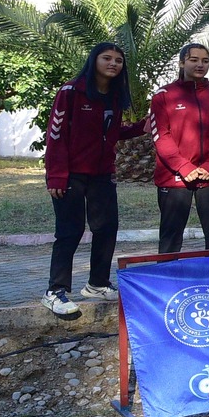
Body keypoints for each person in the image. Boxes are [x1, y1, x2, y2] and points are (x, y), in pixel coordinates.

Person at [44, 43, 145, 317]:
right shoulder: (70, 92)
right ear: (94, 60)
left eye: (118, 60)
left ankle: (97, 283)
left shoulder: (114, 96)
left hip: (102, 174)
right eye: (106, 58)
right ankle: (55, 291)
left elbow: (110, 134)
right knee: (70, 231)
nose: (113, 64)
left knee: (107, 227)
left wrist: (140, 128)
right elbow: (56, 135)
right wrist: (56, 175)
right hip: (70, 175)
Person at [150, 44, 209, 253]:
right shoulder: (164, 96)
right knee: (170, 237)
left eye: (205, 61)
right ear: (181, 63)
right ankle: (168, 280)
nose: (200, 65)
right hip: (175, 177)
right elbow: (161, 136)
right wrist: (184, 167)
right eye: (194, 60)